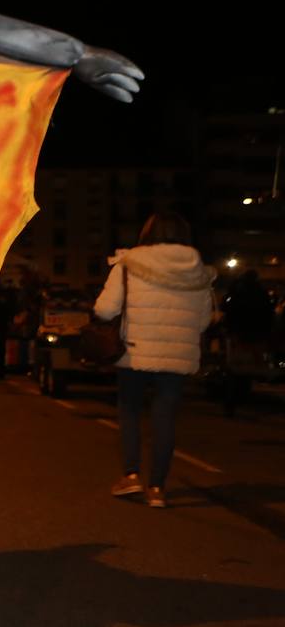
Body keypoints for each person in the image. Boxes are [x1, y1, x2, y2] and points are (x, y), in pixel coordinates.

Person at [97, 213, 214, 508]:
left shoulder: (129, 263)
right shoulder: (198, 270)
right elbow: (202, 321)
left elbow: (105, 310)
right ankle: (158, 489)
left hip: (135, 351)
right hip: (177, 356)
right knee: (165, 419)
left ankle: (132, 475)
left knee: (130, 412)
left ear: (147, 233)